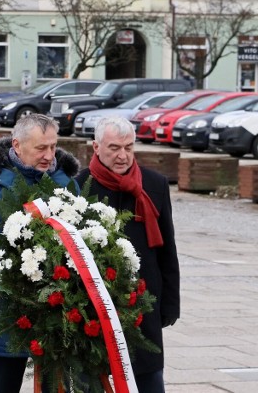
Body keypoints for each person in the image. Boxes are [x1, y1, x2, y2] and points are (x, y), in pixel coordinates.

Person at [0, 114, 80, 393]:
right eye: (41, 148)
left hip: (58, 304)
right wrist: (17, 279)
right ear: (16, 145)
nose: (49, 155)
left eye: (53, 146)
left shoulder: (67, 185)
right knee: (5, 382)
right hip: (8, 306)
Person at [75, 117, 180, 393]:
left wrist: (170, 303)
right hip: (96, 306)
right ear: (96, 147)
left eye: (129, 148)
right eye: (114, 148)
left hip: (144, 301)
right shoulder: (79, 187)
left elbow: (167, 249)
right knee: (94, 379)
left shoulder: (154, 184)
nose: (123, 156)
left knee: (148, 378)